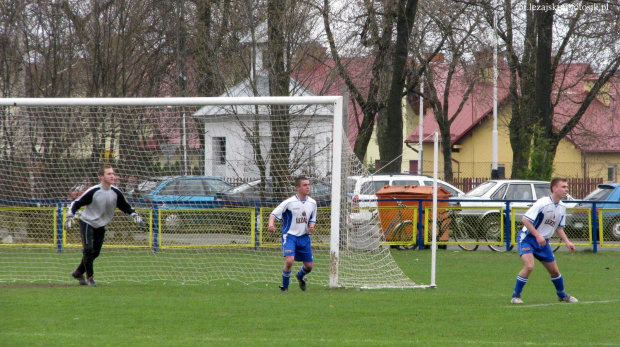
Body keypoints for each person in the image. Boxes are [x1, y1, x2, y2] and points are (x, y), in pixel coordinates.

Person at [66, 165, 144, 287]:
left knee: (95, 253)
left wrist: (134, 215)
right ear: (101, 177)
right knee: (88, 250)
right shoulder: (94, 191)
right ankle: (90, 278)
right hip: (87, 222)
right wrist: (70, 216)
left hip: (100, 225)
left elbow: (125, 206)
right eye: (109, 174)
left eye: (113, 173)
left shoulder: (116, 192)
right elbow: (77, 202)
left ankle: (78, 272)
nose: (112, 176)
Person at [511, 177, 578, 304]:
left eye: (566, 187)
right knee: (529, 266)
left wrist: (567, 242)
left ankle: (562, 295)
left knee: (554, 271)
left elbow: (559, 227)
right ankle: (516, 296)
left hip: (543, 242)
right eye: (563, 187)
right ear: (554, 188)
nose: (566, 189)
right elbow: (525, 220)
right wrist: (537, 235)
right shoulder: (542, 203)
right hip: (528, 239)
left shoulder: (562, 207)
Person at [268, 176, 317, 293]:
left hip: (304, 237)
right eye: (305, 185)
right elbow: (273, 214)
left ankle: (300, 276)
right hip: (290, 236)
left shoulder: (313, 203)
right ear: (298, 187)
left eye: (308, 185)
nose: (308, 187)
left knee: (309, 266)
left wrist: (311, 226)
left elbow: (312, 219)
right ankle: (284, 287)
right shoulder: (289, 202)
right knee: (290, 261)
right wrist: (271, 224)